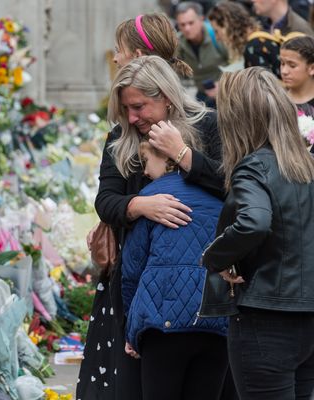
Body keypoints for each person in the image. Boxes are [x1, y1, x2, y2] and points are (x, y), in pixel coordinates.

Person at [76, 48, 224, 400]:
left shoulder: (209, 125)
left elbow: (232, 186)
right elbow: (106, 201)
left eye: (140, 106)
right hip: (145, 288)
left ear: (168, 98)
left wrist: (183, 155)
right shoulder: (120, 138)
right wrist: (141, 205)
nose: (132, 116)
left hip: (208, 286)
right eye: (126, 108)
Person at [200, 66, 314, 399]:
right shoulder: (307, 165)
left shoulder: (254, 166)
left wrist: (215, 257)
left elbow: (254, 222)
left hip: (267, 321)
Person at [121, 138, 228, 400]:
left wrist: (131, 330)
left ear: (168, 158)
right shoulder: (223, 196)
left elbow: (132, 270)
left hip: (162, 324)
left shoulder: (151, 198)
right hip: (214, 319)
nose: (144, 172)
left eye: (146, 161)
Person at [208, 1, 304, 78]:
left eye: (217, 31)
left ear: (227, 26)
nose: (217, 38)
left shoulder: (254, 46)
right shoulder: (258, 39)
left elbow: (262, 90)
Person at [176, 2, 228, 106]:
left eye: (191, 23)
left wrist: (225, 86)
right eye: (182, 24)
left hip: (225, 91)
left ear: (201, 20)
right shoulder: (178, 43)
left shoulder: (217, 35)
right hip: (202, 94)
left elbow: (238, 63)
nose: (187, 28)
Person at [280, 35, 314, 117]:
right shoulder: (278, 102)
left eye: (292, 65)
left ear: (312, 68)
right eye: (282, 63)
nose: (284, 71)